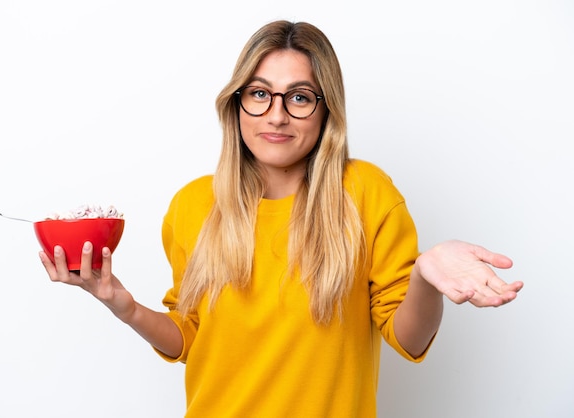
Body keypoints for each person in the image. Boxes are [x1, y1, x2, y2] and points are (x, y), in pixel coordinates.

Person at [39, 20, 524, 418]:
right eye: (259, 94)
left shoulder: (366, 192)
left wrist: (425, 276)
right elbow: (190, 338)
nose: (276, 116)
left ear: (325, 110)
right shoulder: (191, 205)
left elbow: (408, 339)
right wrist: (123, 306)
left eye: (298, 96)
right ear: (237, 104)